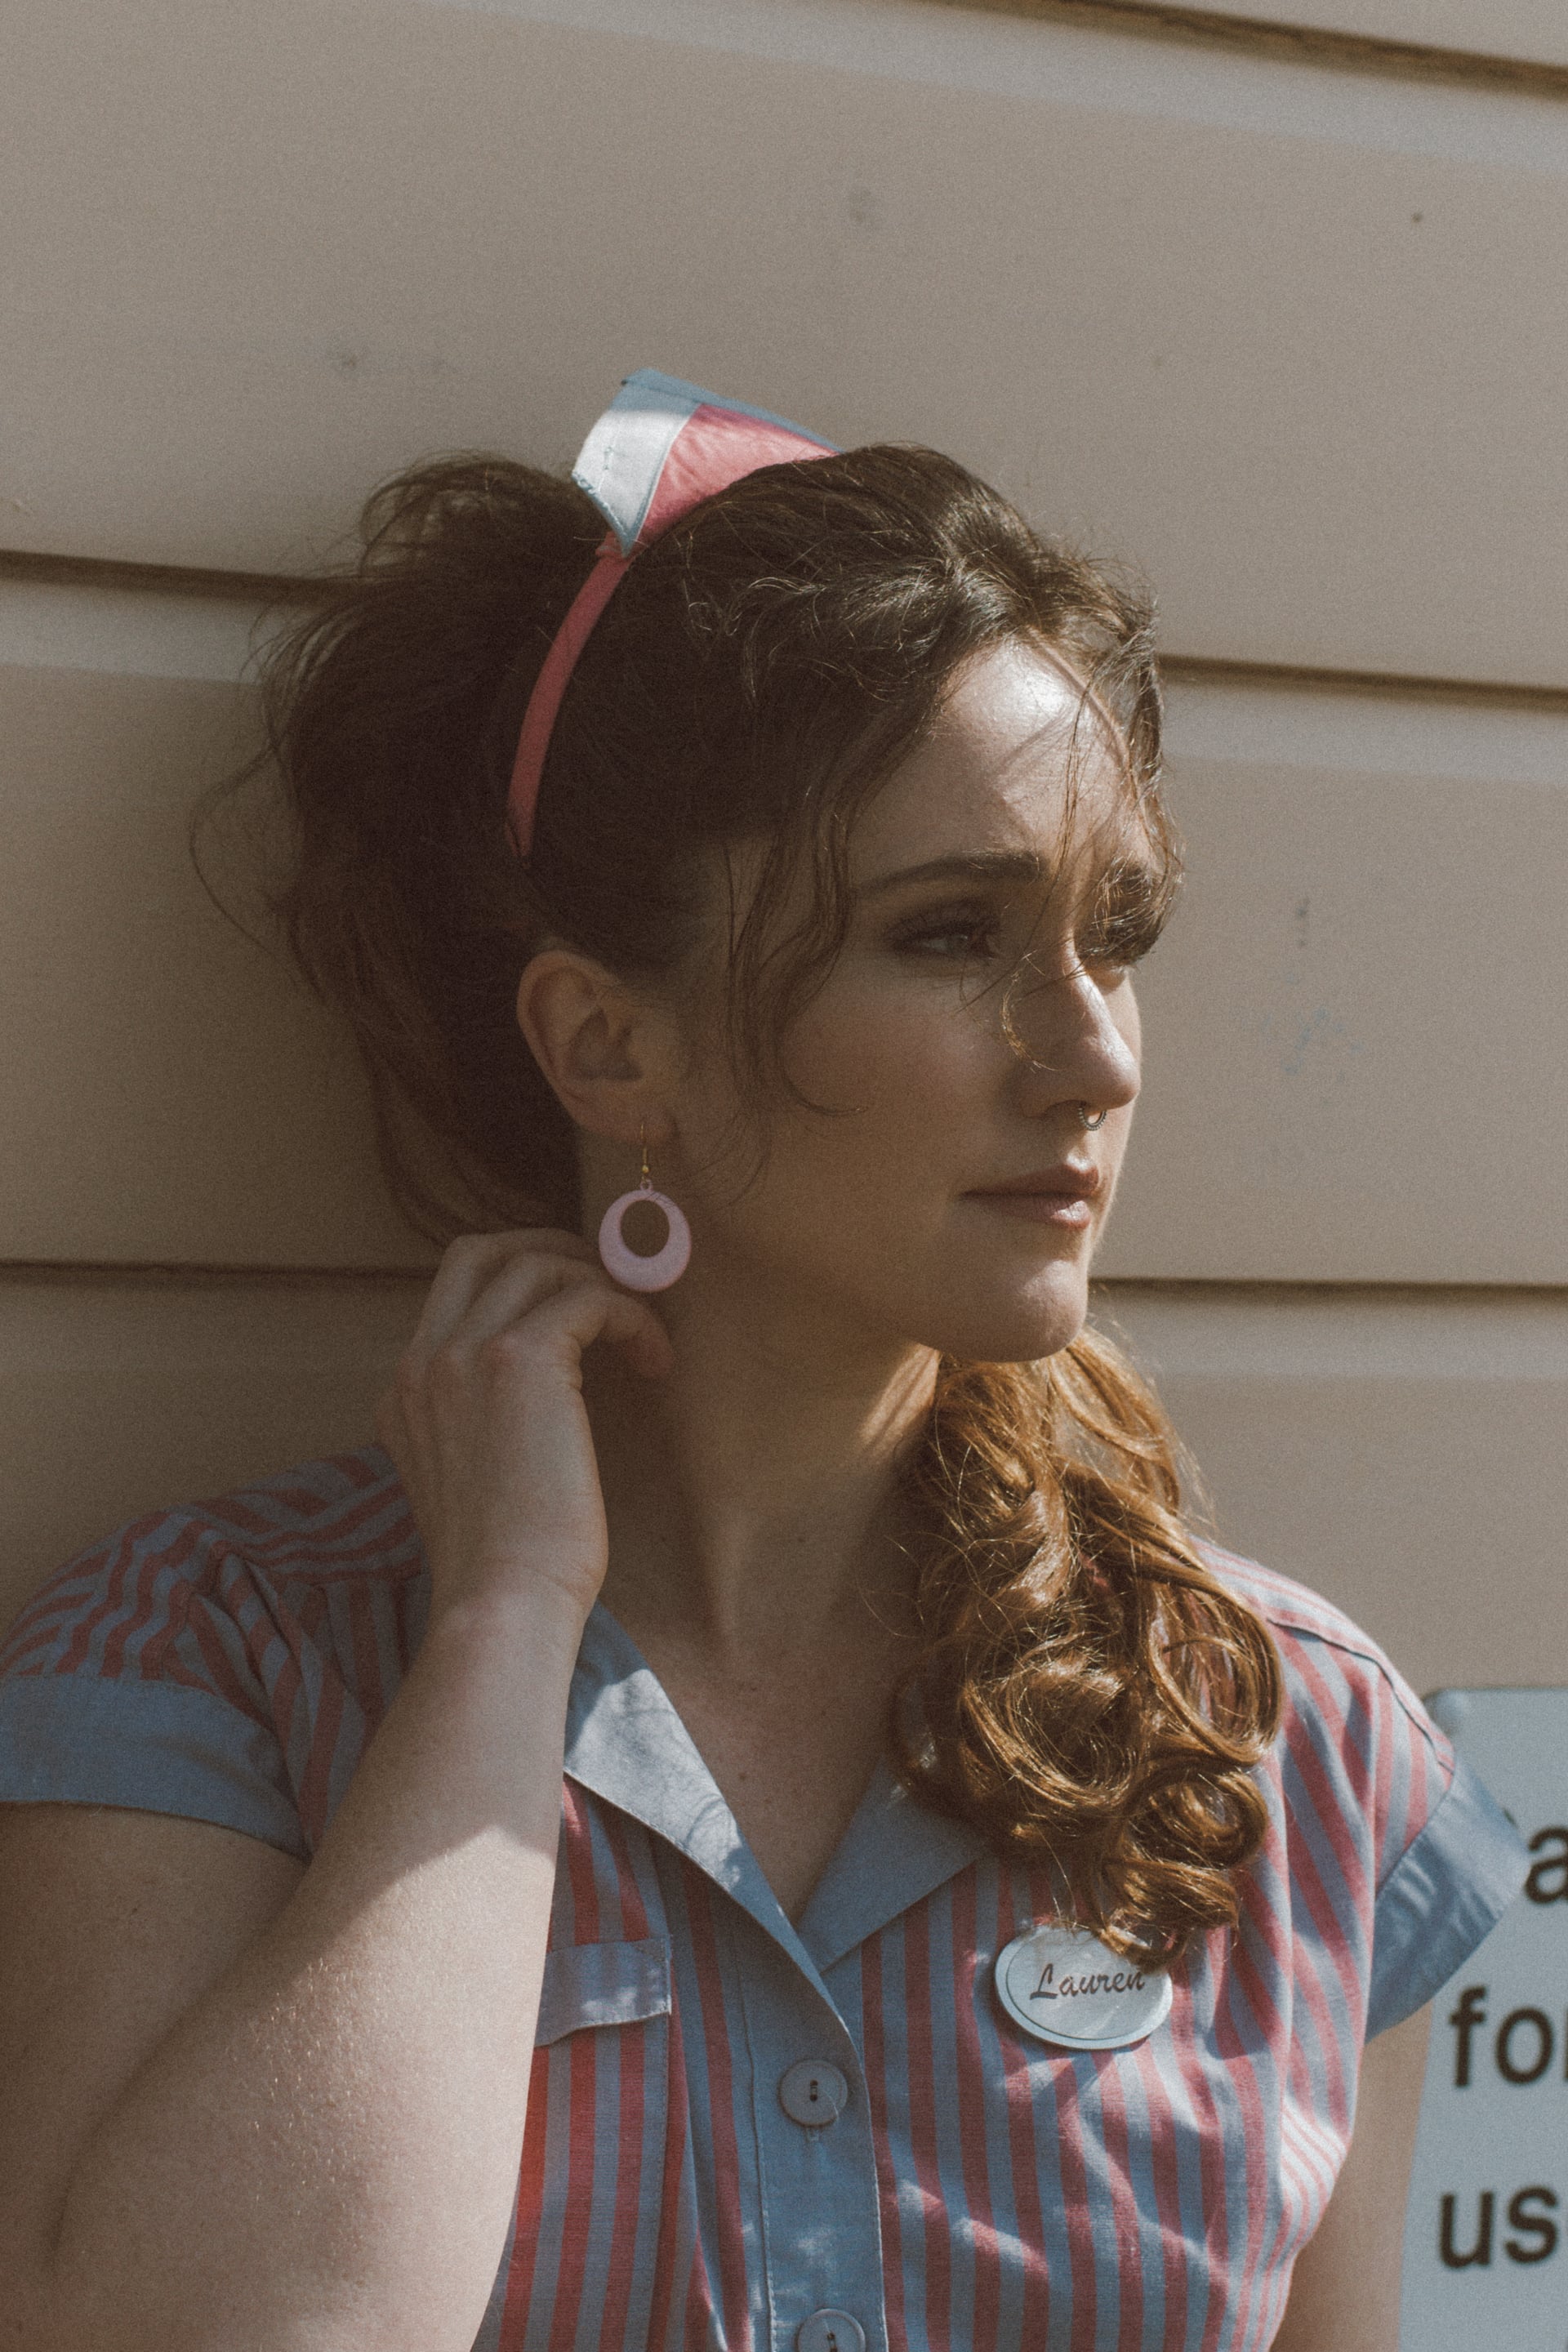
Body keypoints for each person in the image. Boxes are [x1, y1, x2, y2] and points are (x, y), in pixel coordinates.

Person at [0, 371, 1526, 2352]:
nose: (1094, 1056)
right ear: (607, 1043)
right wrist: (504, 1628)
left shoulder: (1287, 1744)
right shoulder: (220, 1671)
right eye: (952, 935)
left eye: (1118, 936)